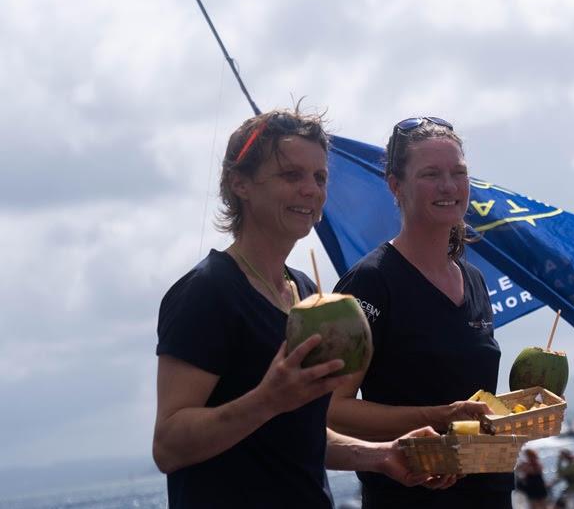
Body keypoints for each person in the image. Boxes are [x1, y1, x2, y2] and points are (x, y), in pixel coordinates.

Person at [152, 107, 440, 508]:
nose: (312, 189)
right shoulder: (206, 292)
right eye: (292, 175)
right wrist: (267, 399)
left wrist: (381, 454)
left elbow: (298, 431)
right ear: (240, 183)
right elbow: (168, 445)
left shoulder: (304, 292)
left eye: (320, 177)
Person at [328, 116, 514, 508]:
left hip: (490, 495)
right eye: (431, 174)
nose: (448, 186)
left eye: (458, 173)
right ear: (396, 185)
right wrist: (440, 416)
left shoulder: (474, 279)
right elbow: (330, 409)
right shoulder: (369, 283)